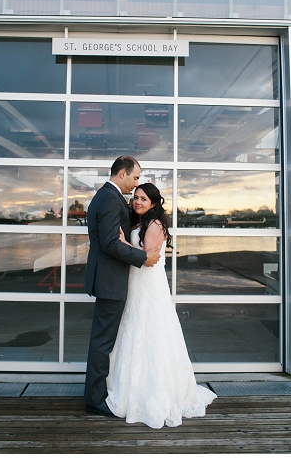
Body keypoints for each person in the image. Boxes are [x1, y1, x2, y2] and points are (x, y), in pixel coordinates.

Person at [106, 182, 216, 428]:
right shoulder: (139, 222)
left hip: (148, 285)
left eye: (144, 199)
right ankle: (130, 385)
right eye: (136, 197)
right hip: (136, 284)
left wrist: (123, 242)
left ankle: (153, 392)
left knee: (151, 332)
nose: (138, 202)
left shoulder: (154, 224)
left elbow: (148, 259)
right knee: (134, 330)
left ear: (154, 203)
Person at [84, 156, 161, 417]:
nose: (136, 184)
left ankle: (97, 394)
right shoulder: (108, 198)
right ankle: (95, 399)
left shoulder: (108, 197)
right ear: (123, 174)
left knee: (103, 340)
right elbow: (109, 243)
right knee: (103, 342)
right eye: (135, 177)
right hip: (110, 280)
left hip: (110, 278)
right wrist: (143, 257)